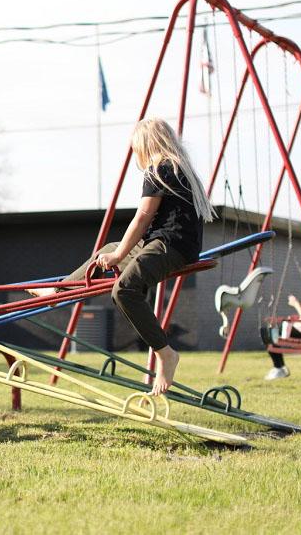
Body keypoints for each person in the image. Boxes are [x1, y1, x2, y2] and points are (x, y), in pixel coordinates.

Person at [57, 118, 215, 395]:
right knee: (106, 250)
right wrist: (115, 253)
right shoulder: (179, 168)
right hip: (166, 241)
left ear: (146, 145)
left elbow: (143, 216)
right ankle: (57, 289)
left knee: (125, 291)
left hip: (170, 244)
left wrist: (120, 255)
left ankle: (166, 353)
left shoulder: (161, 168)